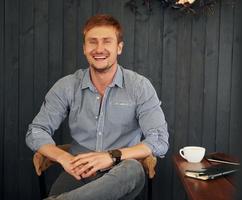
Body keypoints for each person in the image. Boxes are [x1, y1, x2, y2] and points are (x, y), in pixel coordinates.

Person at [26, 14, 169, 200]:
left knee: (133, 168)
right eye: (92, 42)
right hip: (78, 171)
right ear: (85, 48)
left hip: (121, 173)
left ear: (119, 48)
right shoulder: (67, 86)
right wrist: (63, 158)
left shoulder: (139, 86)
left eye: (106, 41)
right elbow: (36, 131)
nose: (99, 49)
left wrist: (112, 156)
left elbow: (159, 140)